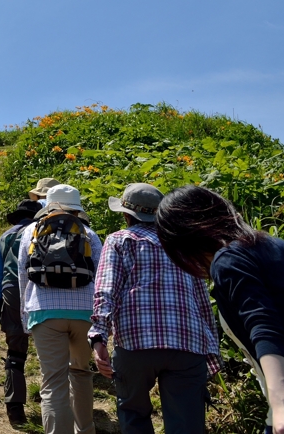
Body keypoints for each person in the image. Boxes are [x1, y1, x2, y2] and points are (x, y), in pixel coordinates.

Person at [155, 185, 284, 434]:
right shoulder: (277, 246)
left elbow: (264, 326)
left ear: (182, 238)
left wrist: (283, 405)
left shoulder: (228, 260)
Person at [89, 183, 220, 434]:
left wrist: (98, 338)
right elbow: (203, 303)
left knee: (133, 413)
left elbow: (106, 290)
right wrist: (212, 354)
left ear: (127, 215)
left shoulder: (120, 240)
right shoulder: (184, 247)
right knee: (187, 424)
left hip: (136, 342)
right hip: (188, 343)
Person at [18, 184, 102, 434]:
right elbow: (101, 276)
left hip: (45, 313)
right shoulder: (89, 233)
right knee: (81, 373)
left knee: (53, 382)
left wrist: (26, 317)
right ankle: (85, 430)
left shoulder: (32, 231)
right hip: (84, 315)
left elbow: (23, 274)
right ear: (77, 208)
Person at [0, 197, 41, 425]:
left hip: (12, 289)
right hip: (42, 288)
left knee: (15, 350)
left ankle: (15, 410)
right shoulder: (43, 230)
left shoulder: (6, 236)